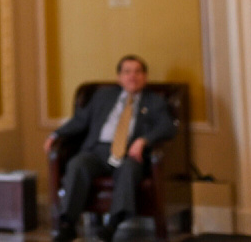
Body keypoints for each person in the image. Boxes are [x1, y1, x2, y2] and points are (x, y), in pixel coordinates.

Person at [43, 55, 178, 242]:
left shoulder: (155, 101)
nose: (132, 76)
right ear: (119, 77)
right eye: (127, 72)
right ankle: (67, 224)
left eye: (138, 72)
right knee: (77, 164)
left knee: (129, 170)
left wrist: (144, 140)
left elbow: (167, 127)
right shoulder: (102, 96)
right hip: (97, 151)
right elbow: (80, 120)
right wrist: (56, 135)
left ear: (145, 77)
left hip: (130, 153)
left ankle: (112, 225)